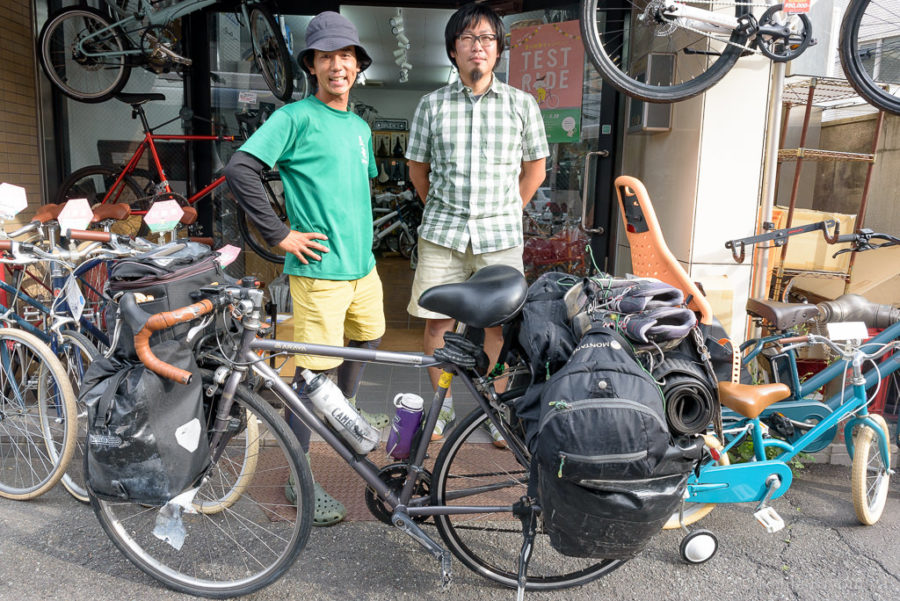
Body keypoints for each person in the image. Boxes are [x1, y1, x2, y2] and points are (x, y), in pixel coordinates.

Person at [224, 11, 386, 527]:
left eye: (346, 56)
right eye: (326, 57)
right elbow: (240, 169)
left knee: (368, 340)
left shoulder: (360, 126)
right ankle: (300, 475)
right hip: (319, 273)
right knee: (313, 377)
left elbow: (358, 188)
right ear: (311, 66)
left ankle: (341, 414)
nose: (337, 66)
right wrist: (278, 233)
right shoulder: (294, 118)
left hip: (363, 268)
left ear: (358, 65)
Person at [405, 3, 549, 444]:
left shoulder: (522, 104)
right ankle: (443, 411)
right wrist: (443, 211)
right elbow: (417, 170)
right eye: (468, 39)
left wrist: (509, 212)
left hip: (499, 237)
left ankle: (494, 410)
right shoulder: (431, 105)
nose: (477, 47)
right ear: (453, 50)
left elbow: (535, 170)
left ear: (499, 50)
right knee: (435, 323)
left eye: (486, 38)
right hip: (442, 236)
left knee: (499, 329)